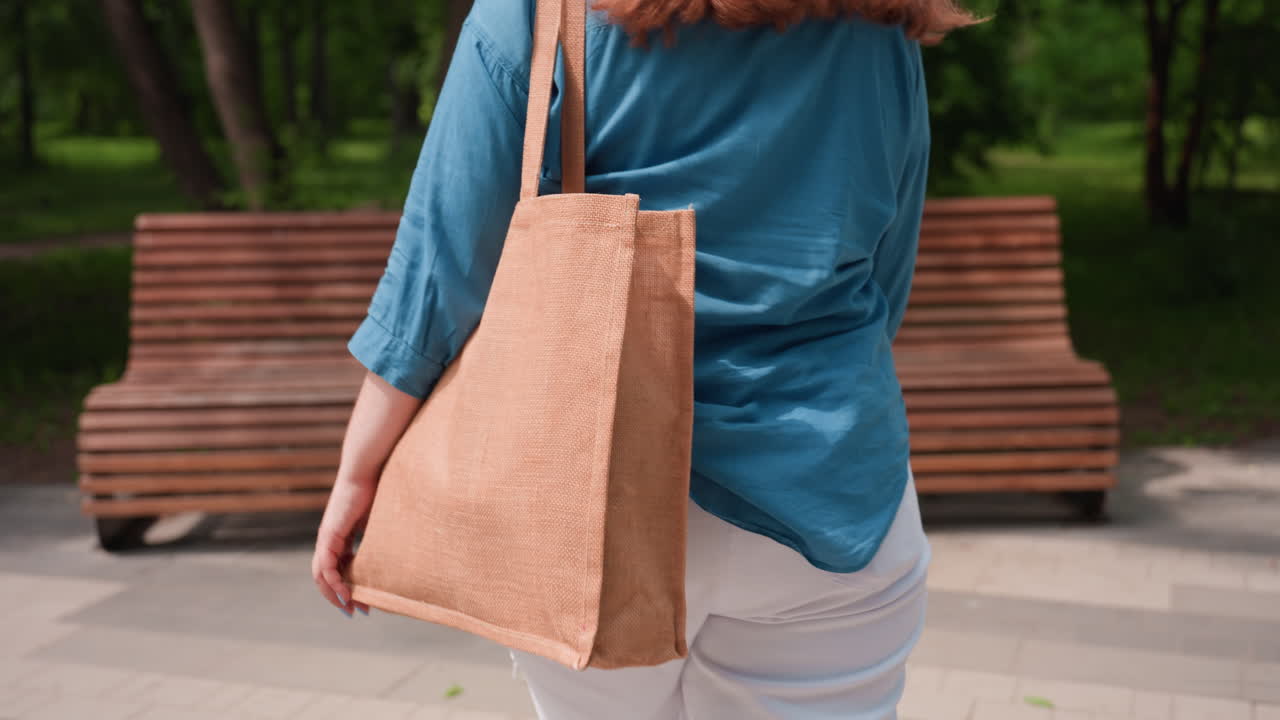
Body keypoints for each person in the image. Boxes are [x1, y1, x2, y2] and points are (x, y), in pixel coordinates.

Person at [313, 1, 975, 717]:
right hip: (831, 488)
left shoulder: (539, 12)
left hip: (591, 502)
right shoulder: (879, 21)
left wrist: (360, 471)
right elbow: (885, 267)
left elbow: (441, 272)